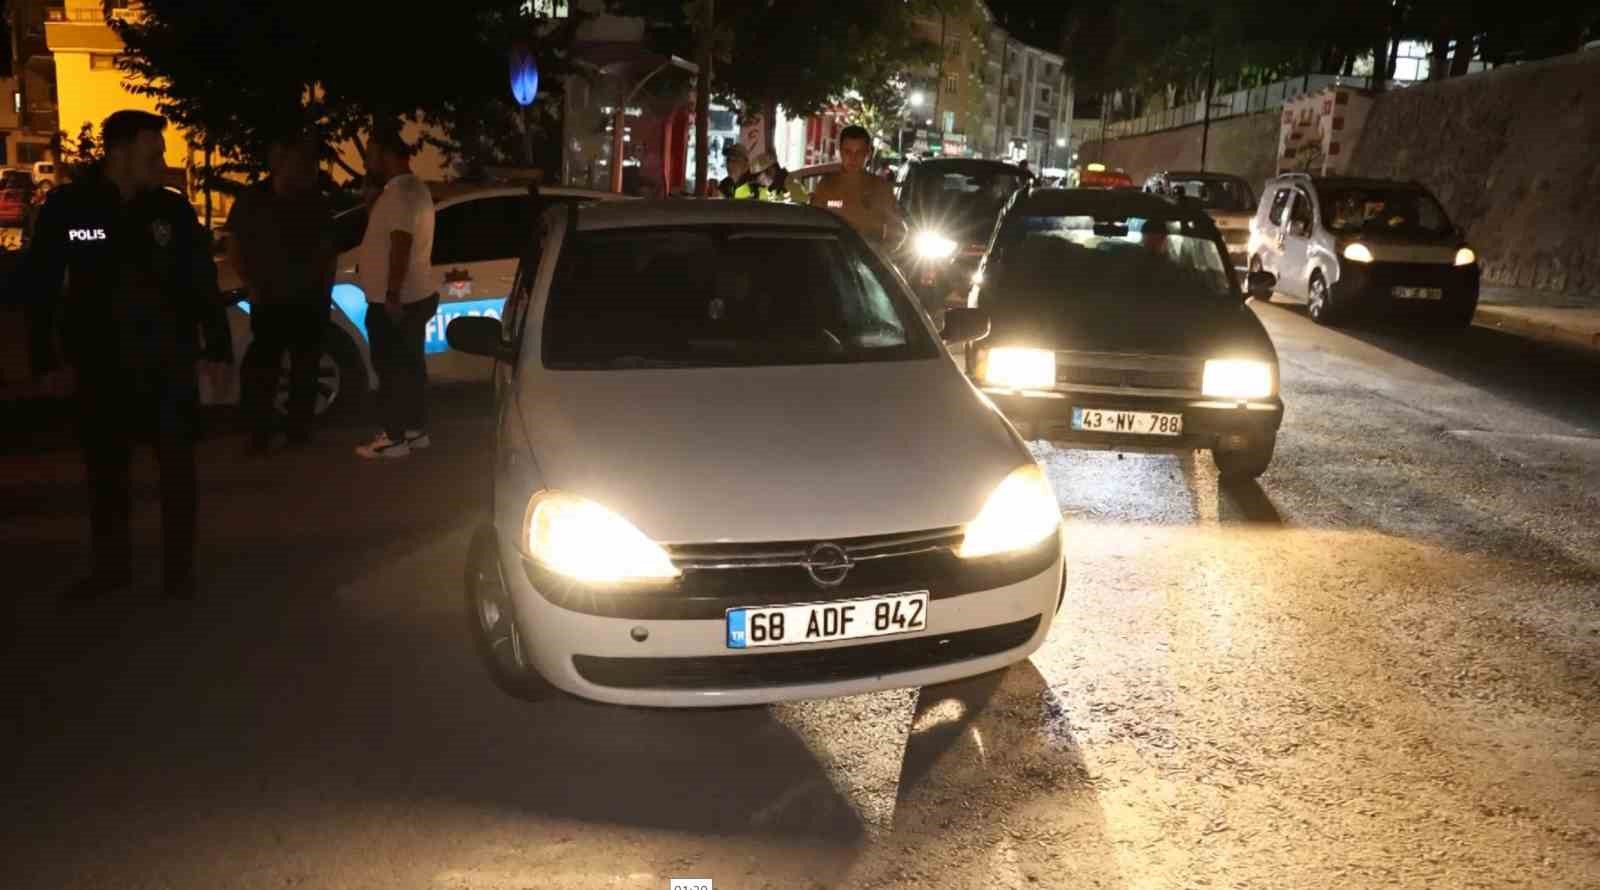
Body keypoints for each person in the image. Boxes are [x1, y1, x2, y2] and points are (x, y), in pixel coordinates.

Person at [18, 109, 232, 603]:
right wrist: (44, 359)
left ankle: (179, 574)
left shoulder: (172, 211)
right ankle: (111, 568)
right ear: (119, 153)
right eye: (152, 152)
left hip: (167, 362)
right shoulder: (70, 209)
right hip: (102, 363)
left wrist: (217, 343)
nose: (162, 161)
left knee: (178, 472)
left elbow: (200, 278)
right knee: (106, 473)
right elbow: (42, 285)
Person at [227, 132, 336, 452]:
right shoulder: (252, 199)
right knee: (265, 371)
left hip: (308, 300)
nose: (300, 166)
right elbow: (234, 244)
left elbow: (329, 251)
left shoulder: (314, 200)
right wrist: (250, 283)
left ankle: (298, 433)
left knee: (306, 369)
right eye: (293, 159)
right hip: (269, 299)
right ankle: (260, 434)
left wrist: (324, 293)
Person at [354, 128, 436, 459]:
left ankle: (393, 437)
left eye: (371, 154)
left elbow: (400, 243)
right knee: (411, 366)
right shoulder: (414, 190)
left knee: (390, 369)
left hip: (397, 300)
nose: (366, 161)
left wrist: (391, 294)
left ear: (386, 155)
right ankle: (415, 430)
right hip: (416, 294)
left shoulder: (400, 195)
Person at [808, 125, 907, 248]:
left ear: (868, 153)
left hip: (866, 262)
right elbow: (813, 226)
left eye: (859, 152)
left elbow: (898, 230)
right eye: (848, 152)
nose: (853, 158)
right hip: (831, 261)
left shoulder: (881, 189)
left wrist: (881, 254)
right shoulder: (826, 186)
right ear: (840, 151)